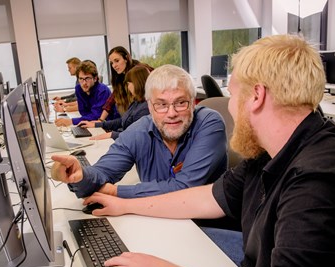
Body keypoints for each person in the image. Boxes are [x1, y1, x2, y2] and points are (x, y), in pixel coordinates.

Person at [82, 34, 335, 267]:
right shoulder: (272, 151)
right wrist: (125, 205)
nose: (228, 105)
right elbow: (206, 196)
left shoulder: (318, 182)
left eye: (232, 94)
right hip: (261, 266)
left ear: (256, 96)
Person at [51, 64, 227, 199]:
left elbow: (185, 188)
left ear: (193, 102)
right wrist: (80, 175)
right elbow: (102, 172)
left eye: (181, 103)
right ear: (149, 105)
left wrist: (116, 192)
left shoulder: (209, 123)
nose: (171, 113)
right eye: (161, 104)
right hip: (157, 220)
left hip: (205, 229)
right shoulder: (138, 131)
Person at [78, 65, 151, 140]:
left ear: (137, 84)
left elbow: (135, 136)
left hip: (126, 142)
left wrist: (112, 135)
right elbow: (121, 121)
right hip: (121, 138)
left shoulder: (145, 108)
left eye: (129, 83)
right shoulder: (136, 102)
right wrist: (96, 124)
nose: (128, 87)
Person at [98, 46, 153, 121]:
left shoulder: (140, 70)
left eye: (117, 61)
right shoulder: (120, 76)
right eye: (112, 63)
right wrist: (101, 119)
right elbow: (113, 97)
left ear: (126, 58)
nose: (114, 66)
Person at [54, 61, 116, 127]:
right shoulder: (79, 89)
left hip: (107, 126)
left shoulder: (103, 91)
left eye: (87, 78)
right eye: (81, 79)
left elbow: (96, 116)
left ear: (95, 79)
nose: (84, 83)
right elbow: (83, 112)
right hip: (91, 124)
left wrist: (71, 121)